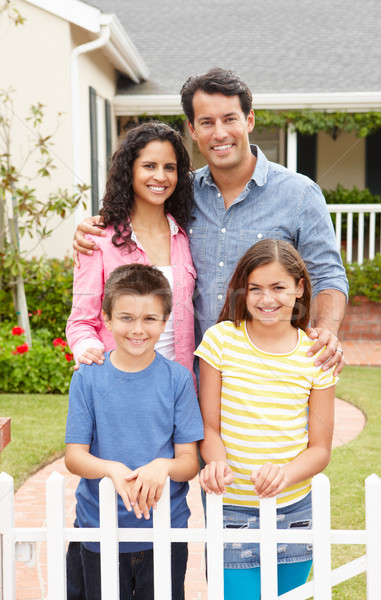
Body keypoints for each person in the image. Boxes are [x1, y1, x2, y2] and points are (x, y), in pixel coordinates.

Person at [72, 68, 348, 376]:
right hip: (195, 377)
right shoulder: (180, 194)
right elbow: (140, 218)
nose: (219, 133)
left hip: (271, 375)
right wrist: (98, 227)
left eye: (230, 119)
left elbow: (328, 276)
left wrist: (326, 330)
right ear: (192, 129)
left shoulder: (300, 195)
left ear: (250, 120)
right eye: (207, 122)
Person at [195, 239, 337, 598]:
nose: (266, 299)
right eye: (255, 288)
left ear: (300, 288)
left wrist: (284, 475)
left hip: (294, 509)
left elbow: (320, 450)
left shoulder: (314, 355)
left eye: (278, 287)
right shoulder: (221, 341)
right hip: (232, 507)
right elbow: (208, 426)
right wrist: (217, 462)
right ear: (243, 290)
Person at [65, 264, 204, 600]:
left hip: (163, 533)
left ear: (165, 321)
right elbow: (74, 456)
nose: (138, 329)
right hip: (98, 530)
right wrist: (109, 468)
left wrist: (164, 466)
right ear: (107, 320)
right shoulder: (87, 377)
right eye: (126, 317)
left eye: (150, 319)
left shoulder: (178, 380)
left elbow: (189, 462)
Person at [66, 120, 196, 383]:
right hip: (120, 385)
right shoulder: (99, 239)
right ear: (130, 171)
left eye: (169, 168)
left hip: (179, 388)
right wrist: (89, 351)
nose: (161, 176)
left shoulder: (185, 236)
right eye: (149, 166)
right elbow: (81, 321)